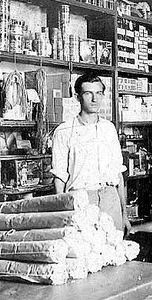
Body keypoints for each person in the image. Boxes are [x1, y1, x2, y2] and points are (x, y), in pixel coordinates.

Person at [51, 72, 128, 232]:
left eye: (99, 93)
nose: (95, 99)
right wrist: (62, 214)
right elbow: (60, 177)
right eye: (88, 93)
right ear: (78, 97)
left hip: (110, 197)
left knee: (114, 244)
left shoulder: (109, 128)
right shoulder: (64, 131)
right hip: (81, 198)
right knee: (84, 244)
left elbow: (118, 174)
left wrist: (124, 214)